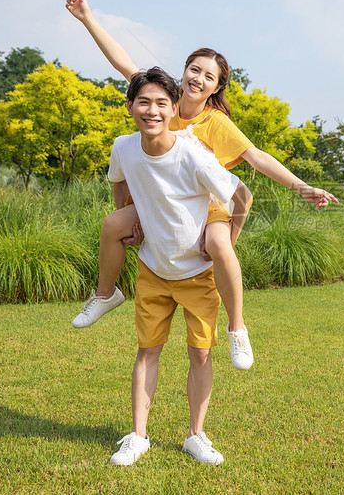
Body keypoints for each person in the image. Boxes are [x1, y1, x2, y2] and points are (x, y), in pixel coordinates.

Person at [66, 0, 338, 371]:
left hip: (206, 206)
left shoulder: (216, 123)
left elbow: (257, 158)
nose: (199, 78)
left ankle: (238, 329)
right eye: (194, 69)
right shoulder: (163, 101)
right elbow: (123, 61)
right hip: (159, 202)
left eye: (209, 76)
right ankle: (105, 294)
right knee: (113, 224)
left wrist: (304, 188)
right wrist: (87, 17)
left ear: (216, 87)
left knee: (219, 246)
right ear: (184, 71)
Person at [107, 66, 251, 466]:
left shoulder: (193, 153)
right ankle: (137, 436)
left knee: (201, 354)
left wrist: (222, 242)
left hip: (197, 275)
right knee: (147, 350)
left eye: (160, 104)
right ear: (132, 107)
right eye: (143, 102)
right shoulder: (126, 147)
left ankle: (196, 435)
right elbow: (120, 185)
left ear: (174, 110)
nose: (152, 111)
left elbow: (242, 195)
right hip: (153, 269)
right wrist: (130, 223)